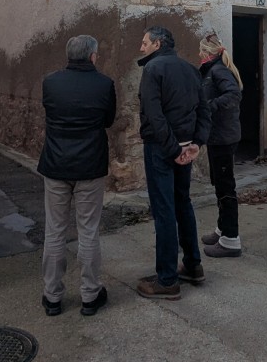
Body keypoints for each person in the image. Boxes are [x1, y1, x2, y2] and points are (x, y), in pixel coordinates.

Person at [38, 35, 117, 317]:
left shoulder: (50, 82)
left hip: (56, 163)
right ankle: (90, 294)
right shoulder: (104, 84)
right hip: (89, 165)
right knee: (88, 230)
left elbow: (49, 112)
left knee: (54, 230)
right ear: (92, 56)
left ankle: (52, 296)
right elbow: (108, 120)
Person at [135, 26, 211, 300]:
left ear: (157, 44)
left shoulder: (153, 69)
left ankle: (167, 279)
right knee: (182, 203)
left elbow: (153, 115)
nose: (141, 47)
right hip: (184, 148)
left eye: (145, 43)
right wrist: (195, 144)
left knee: (165, 210)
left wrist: (173, 149)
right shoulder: (190, 69)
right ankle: (192, 265)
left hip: (162, 150)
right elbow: (204, 111)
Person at [198, 32, 243, 257]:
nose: (198, 54)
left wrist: (210, 106)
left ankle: (231, 240)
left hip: (223, 138)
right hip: (219, 137)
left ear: (207, 52)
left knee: (225, 187)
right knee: (219, 184)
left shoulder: (218, 71)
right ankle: (222, 229)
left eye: (200, 51)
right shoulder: (214, 70)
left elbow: (233, 94)